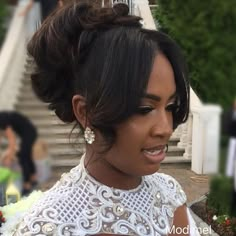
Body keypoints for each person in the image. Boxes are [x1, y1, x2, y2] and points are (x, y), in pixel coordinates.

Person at [12, 1, 200, 235]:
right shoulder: (52, 225)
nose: (165, 128)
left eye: (171, 106)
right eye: (143, 109)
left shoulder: (169, 193)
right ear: (85, 112)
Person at [0, 111, 38, 196]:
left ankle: (27, 185)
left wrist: (9, 157)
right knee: (27, 156)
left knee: (23, 157)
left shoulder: (3, 120)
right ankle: (33, 178)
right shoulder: (4, 117)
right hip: (30, 132)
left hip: (29, 133)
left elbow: (12, 140)